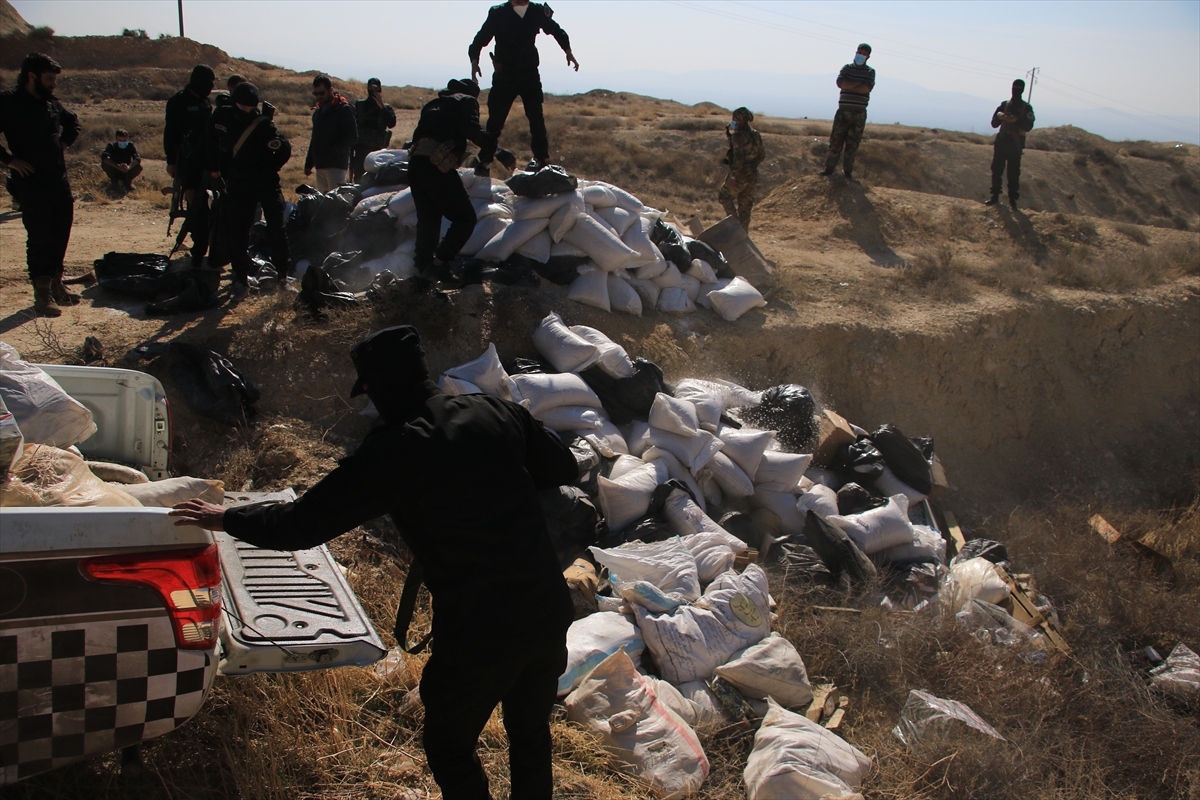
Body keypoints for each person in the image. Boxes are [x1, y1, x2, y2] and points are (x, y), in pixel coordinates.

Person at [170, 325, 578, 800]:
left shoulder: (393, 451)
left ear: (376, 387)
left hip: (480, 629)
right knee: (530, 734)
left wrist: (226, 518)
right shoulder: (494, 411)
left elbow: (300, 525)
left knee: (449, 745)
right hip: (547, 610)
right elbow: (562, 468)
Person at [0, 52, 82, 317]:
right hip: (31, 183)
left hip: (59, 182)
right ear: (31, 76)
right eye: (49, 79)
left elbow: (73, 123)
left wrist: (63, 143)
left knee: (61, 233)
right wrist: (9, 161)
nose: (53, 85)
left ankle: (57, 286)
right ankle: (42, 297)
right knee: (39, 238)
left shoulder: (51, 104)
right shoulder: (8, 102)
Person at [469, 0, 579, 172]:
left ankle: (541, 159)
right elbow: (481, 39)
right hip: (505, 74)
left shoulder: (536, 11)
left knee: (536, 118)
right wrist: (474, 62)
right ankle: (485, 161)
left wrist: (568, 51)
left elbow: (556, 30)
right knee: (495, 122)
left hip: (529, 74)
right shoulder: (498, 13)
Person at [205, 82, 292, 293]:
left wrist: (272, 168)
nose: (246, 112)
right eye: (242, 107)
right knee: (238, 231)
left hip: (265, 182)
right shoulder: (222, 116)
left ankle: (283, 277)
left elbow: (282, 149)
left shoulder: (263, 124)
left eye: (250, 108)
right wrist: (215, 173)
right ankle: (241, 279)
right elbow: (210, 144)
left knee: (276, 229)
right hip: (238, 182)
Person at [408, 78, 497, 276]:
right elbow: (471, 129)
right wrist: (496, 149)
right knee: (465, 218)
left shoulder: (432, 104)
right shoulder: (466, 100)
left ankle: (422, 273)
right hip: (435, 166)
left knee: (428, 221)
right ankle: (440, 264)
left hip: (415, 164)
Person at [164, 64, 216, 267]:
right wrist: (170, 161)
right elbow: (170, 133)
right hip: (186, 162)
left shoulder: (204, 103)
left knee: (208, 205)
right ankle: (198, 247)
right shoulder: (178, 102)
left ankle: (207, 244)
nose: (211, 87)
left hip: (206, 161)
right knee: (195, 205)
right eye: (209, 82)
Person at [819, 43, 875, 180]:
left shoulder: (870, 72)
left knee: (852, 143)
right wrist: (857, 83)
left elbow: (866, 88)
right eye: (859, 52)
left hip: (859, 113)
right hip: (843, 111)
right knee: (836, 141)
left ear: (868, 56)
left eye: (864, 53)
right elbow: (841, 84)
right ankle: (829, 168)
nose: (860, 55)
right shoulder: (847, 68)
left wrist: (850, 84)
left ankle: (847, 171)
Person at [986, 79, 1036, 211]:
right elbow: (994, 123)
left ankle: (1013, 200)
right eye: (1015, 87)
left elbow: (1028, 126)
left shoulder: (1026, 108)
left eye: (1019, 87)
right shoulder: (1005, 105)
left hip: (1015, 144)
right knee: (996, 169)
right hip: (1002, 141)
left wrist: (1017, 120)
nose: (1016, 89)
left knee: (1013, 173)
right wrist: (1001, 116)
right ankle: (995, 196)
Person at [304, 75, 357, 192]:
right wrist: (309, 163)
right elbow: (315, 139)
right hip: (320, 166)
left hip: (336, 167)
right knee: (324, 203)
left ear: (330, 90)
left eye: (321, 93)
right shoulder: (318, 112)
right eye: (316, 94)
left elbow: (352, 136)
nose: (319, 97)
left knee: (336, 204)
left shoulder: (343, 110)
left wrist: (334, 150)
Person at [718, 107, 764, 230]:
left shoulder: (738, 137)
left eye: (734, 119)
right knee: (745, 207)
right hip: (752, 176)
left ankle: (734, 226)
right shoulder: (755, 135)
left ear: (740, 120)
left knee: (724, 196)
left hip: (739, 176)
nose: (732, 121)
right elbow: (761, 156)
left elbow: (738, 159)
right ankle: (743, 235)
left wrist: (733, 176)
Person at [352, 78, 397, 181]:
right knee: (360, 180)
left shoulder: (385, 108)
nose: (373, 91)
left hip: (378, 151)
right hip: (361, 150)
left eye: (376, 88)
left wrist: (382, 107)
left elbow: (391, 123)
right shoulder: (360, 105)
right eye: (371, 88)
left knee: (376, 180)